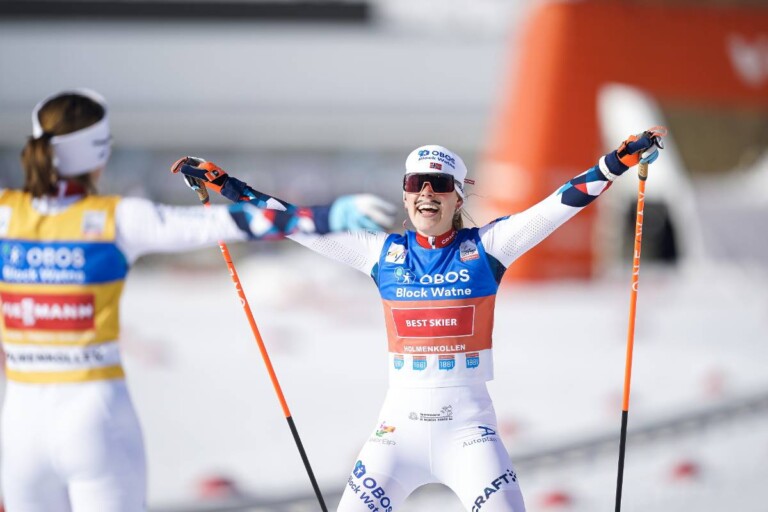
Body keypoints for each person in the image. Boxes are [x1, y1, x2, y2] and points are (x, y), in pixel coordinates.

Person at [178, 128, 666, 511]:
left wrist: (617, 162)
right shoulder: (379, 253)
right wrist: (227, 185)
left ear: (458, 197)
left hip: (469, 433)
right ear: (406, 194)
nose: (427, 192)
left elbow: (560, 202)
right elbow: (293, 221)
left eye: (441, 184)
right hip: (396, 435)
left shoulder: (489, 247)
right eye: (416, 183)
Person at [0, 89, 395, 512]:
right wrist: (327, 217)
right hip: (93, 414)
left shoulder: (7, 212)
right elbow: (223, 224)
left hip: (21, 423)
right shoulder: (118, 217)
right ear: (100, 152)